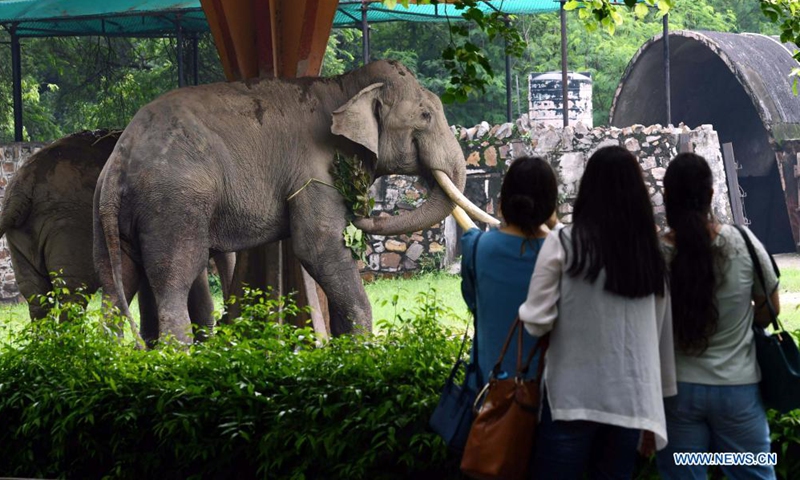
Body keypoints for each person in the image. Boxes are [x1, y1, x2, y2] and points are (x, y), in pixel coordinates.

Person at [518, 145, 676, 479]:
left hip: (572, 399)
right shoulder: (651, 253)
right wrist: (654, 411)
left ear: (588, 189)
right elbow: (660, 335)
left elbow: (535, 321)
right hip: (631, 404)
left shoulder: (563, 242)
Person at [654, 152, 778, 480]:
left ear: (667, 197)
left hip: (677, 393)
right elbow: (771, 307)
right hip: (737, 391)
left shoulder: (655, 253)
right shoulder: (743, 242)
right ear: (711, 195)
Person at [461, 155, 558, 387]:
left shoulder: (476, 247)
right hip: (551, 392)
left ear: (503, 199)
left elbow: (472, 301)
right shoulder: (565, 252)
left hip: (490, 392)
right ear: (551, 203)